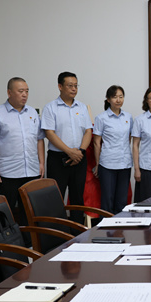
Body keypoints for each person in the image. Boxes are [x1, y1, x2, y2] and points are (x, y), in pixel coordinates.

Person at [0, 77, 45, 224]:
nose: (25, 94)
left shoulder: (32, 113)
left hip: (31, 171)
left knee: (30, 213)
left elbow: (39, 139)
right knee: (6, 213)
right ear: (9, 92)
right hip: (8, 173)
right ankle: (7, 239)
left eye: (27, 91)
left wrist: (41, 163)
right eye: (21, 91)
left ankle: (28, 238)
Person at [41, 71, 93, 223]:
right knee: (56, 198)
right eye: (70, 85)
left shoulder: (82, 107)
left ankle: (77, 231)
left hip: (79, 158)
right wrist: (70, 152)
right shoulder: (50, 108)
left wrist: (80, 152)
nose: (74, 89)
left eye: (76, 85)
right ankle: (57, 232)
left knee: (77, 197)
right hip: (58, 159)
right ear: (60, 86)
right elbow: (49, 133)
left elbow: (88, 131)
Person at [92, 85, 133, 214]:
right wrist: (97, 164)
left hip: (125, 163)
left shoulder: (128, 117)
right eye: (115, 97)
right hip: (108, 164)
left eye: (121, 96)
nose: (118, 100)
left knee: (122, 201)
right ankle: (105, 226)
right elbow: (96, 143)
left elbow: (128, 138)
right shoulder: (101, 118)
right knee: (107, 201)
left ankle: (120, 226)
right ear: (108, 99)